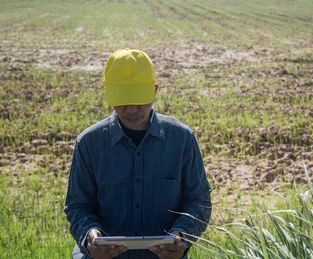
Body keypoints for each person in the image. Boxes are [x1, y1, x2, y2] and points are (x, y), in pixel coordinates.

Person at [64, 48, 212, 259]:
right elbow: (78, 205)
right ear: (109, 94)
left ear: (154, 91)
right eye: (124, 99)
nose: (131, 107)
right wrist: (90, 237)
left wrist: (181, 237)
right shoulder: (88, 143)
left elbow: (199, 201)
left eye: (138, 99)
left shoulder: (182, 139)